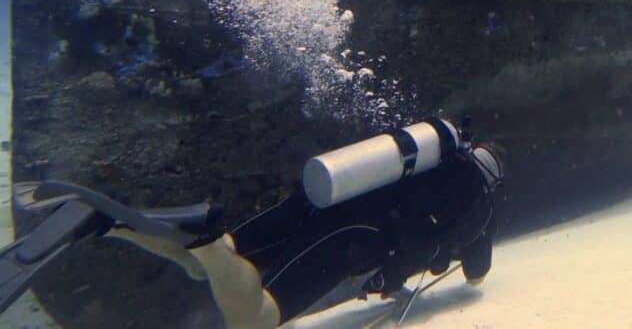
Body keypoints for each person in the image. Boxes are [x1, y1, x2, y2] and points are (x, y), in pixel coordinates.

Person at [0, 117, 504, 328]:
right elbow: (477, 271)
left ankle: (108, 224)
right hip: (360, 233)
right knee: (256, 317)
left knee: (208, 269)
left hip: (325, 194)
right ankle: (207, 237)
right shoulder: (483, 202)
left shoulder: (436, 156)